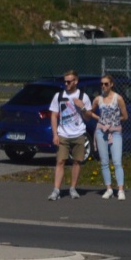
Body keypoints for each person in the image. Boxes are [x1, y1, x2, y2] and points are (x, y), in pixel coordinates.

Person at [48, 70, 89, 201]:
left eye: (69, 81)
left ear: (76, 81)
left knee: (77, 161)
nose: (66, 84)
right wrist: (55, 134)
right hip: (63, 134)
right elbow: (54, 115)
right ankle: (56, 190)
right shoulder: (58, 96)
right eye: (65, 81)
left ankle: (73, 188)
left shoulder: (83, 96)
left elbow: (88, 117)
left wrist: (82, 107)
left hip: (78, 133)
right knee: (60, 161)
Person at [88, 74, 128, 200]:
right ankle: (109, 188)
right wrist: (99, 119)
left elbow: (125, 116)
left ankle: (120, 190)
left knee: (117, 161)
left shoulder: (118, 98)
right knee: (104, 161)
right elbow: (90, 112)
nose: (103, 86)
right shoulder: (98, 99)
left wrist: (114, 120)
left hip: (115, 132)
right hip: (101, 131)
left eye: (106, 84)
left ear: (111, 84)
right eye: (101, 84)